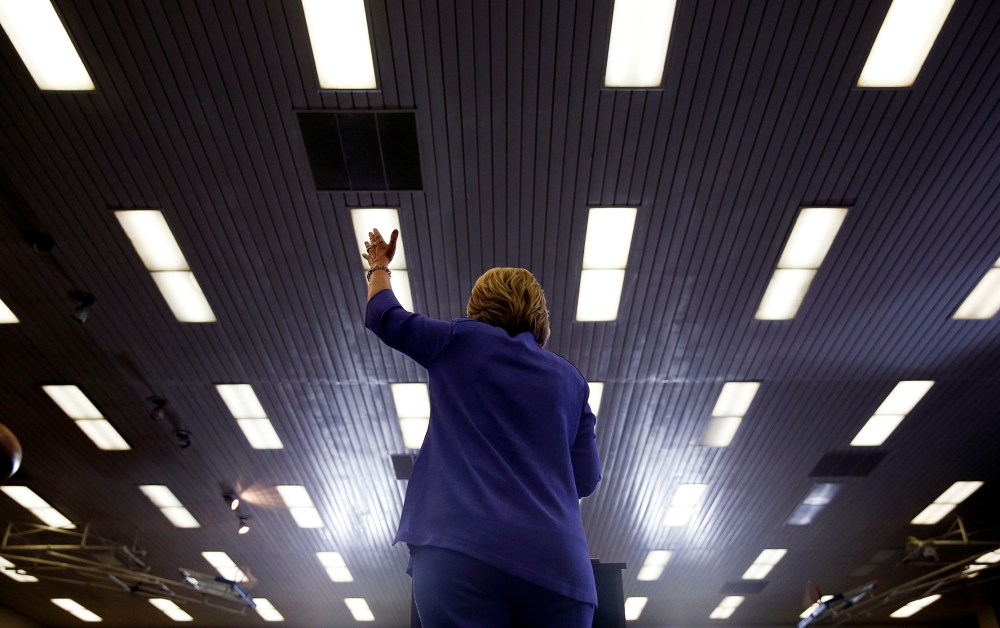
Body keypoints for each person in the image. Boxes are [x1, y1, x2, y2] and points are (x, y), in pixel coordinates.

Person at [362, 227, 601, 627]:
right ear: (539, 314)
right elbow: (586, 479)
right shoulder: (571, 381)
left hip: (459, 553)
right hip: (558, 568)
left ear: (479, 305)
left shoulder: (458, 341)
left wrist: (380, 266)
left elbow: (384, 316)